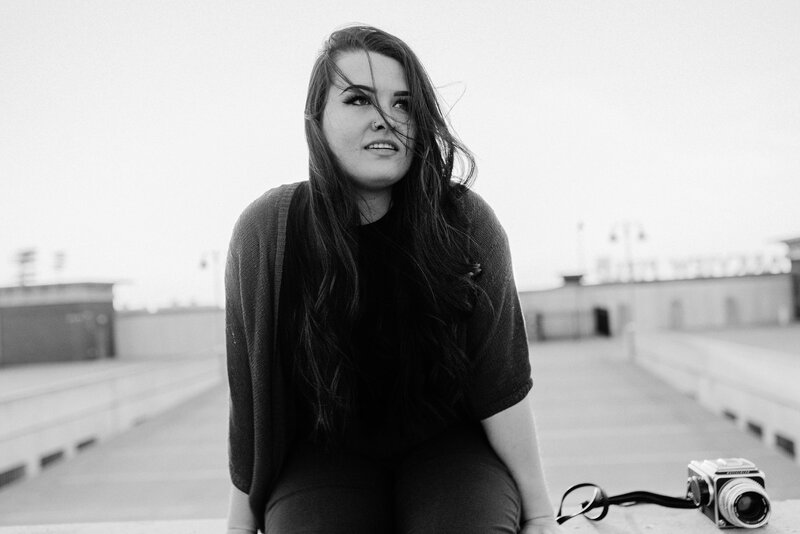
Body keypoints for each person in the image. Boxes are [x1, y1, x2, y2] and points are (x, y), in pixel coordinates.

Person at [225, 25, 564, 534]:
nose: (386, 119)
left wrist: (539, 512)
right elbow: (250, 398)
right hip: (324, 455)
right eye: (359, 99)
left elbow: (502, 383)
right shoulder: (267, 231)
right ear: (316, 118)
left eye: (404, 104)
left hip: (450, 451)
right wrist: (239, 522)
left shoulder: (466, 222)